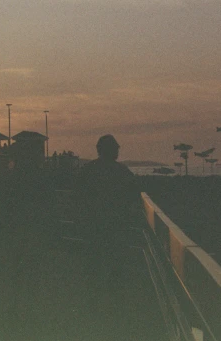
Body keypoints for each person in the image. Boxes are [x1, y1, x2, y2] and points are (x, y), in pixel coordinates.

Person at [75, 134, 143, 338]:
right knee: (116, 268)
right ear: (111, 150)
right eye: (116, 148)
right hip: (116, 228)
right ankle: (117, 308)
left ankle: (93, 305)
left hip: (93, 228)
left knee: (94, 267)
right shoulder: (122, 172)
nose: (118, 151)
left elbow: (78, 198)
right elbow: (134, 195)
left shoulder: (87, 171)